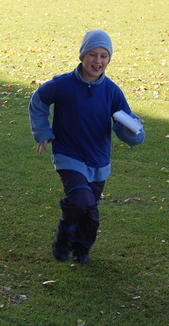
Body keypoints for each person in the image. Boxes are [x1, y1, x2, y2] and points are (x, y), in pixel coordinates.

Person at [29, 29, 145, 264]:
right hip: (68, 154)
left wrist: (134, 130)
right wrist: (42, 132)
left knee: (91, 211)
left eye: (104, 55)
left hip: (99, 160)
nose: (98, 61)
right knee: (81, 200)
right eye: (92, 54)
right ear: (82, 56)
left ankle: (81, 249)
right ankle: (64, 235)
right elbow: (38, 101)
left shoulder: (112, 91)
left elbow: (124, 129)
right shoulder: (63, 84)